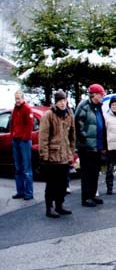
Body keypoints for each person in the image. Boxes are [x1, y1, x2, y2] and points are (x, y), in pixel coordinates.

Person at [39, 90, 76, 218]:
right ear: (55, 102)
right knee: (52, 184)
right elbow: (43, 137)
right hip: (53, 156)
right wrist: (44, 156)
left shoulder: (69, 114)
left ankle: (60, 205)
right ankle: (49, 207)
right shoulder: (48, 115)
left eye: (64, 100)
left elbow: (72, 136)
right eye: (60, 101)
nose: (62, 103)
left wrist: (71, 152)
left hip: (65, 156)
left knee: (63, 184)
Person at [74, 83, 107, 207]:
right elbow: (79, 125)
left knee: (95, 172)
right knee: (87, 173)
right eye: (101, 94)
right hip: (87, 147)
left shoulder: (98, 107)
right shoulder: (84, 106)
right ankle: (86, 197)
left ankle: (93, 195)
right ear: (94, 95)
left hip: (97, 145)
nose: (102, 96)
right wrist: (85, 141)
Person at [10, 90, 35, 201]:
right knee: (18, 168)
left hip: (24, 141)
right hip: (15, 140)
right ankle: (20, 191)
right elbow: (12, 123)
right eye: (16, 98)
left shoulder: (27, 109)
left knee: (26, 168)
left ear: (23, 98)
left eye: (19, 98)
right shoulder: (15, 109)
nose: (17, 100)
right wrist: (12, 135)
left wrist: (24, 138)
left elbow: (30, 125)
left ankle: (29, 193)